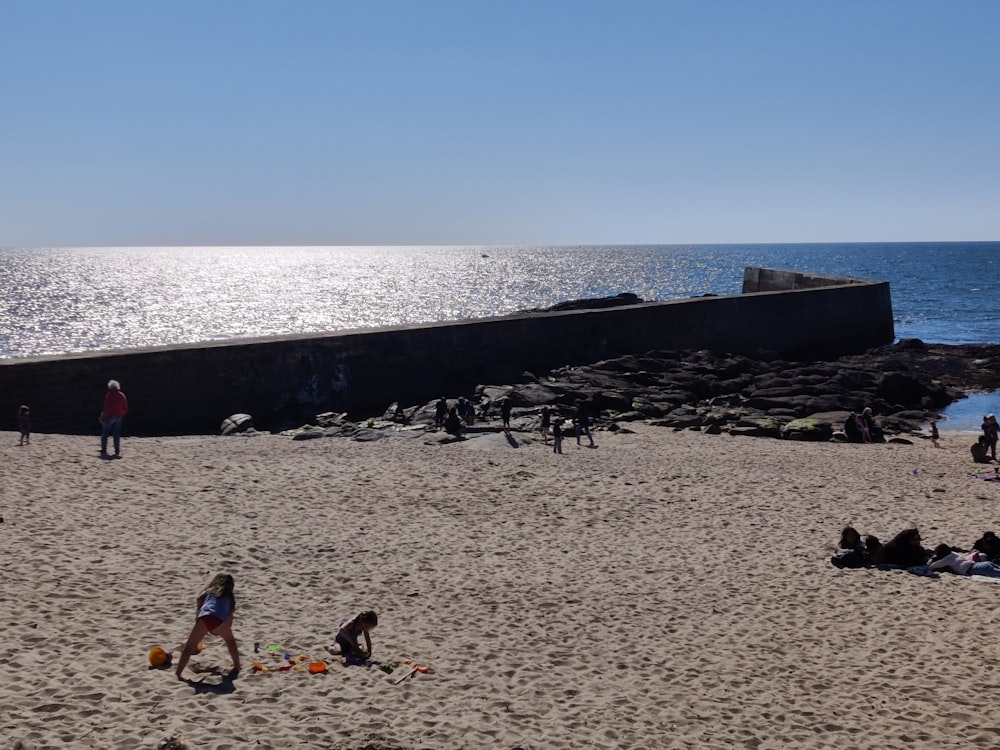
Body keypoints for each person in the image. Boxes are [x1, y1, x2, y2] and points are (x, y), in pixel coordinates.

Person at [176, 573, 240, 679]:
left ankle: (178, 673)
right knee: (231, 643)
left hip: (204, 618)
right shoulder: (229, 597)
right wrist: (224, 629)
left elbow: (198, 600)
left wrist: (198, 616)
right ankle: (237, 666)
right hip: (220, 621)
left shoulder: (209, 592)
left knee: (189, 648)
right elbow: (229, 617)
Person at [929, 544, 1000, 578]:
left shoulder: (944, 560)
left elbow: (931, 567)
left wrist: (932, 559)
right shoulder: (953, 554)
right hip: (980, 564)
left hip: (974, 569)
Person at [99, 379, 128, 458]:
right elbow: (125, 408)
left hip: (110, 416)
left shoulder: (109, 395)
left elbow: (107, 408)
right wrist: (121, 414)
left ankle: (104, 449)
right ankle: (117, 450)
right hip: (118, 416)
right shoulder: (122, 395)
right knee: (116, 434)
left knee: (105, 433)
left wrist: (102, 417)